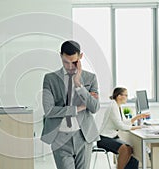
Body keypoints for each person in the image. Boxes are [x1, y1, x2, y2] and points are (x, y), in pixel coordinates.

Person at [41, 40, 100, 169]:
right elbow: (49, 110)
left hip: (83, 136)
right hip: (60, 137)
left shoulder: (90, 78)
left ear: (80, 57)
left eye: (73, 62)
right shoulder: (50, 79)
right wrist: (77, 108)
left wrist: (78, 84)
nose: (69, 67)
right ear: (60, 56)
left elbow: (94, 107)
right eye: (65, 62)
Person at [97, 87, 149, 169]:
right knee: (125, 149)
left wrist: (137, 117)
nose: (127, 98)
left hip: (112, 136)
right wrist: (135, 128)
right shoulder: (113, 106)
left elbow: (124, 122)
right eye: (126, 95)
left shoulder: (118, 106)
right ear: (119, 96)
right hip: (104, 138)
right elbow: (120, 125)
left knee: (131, 151)